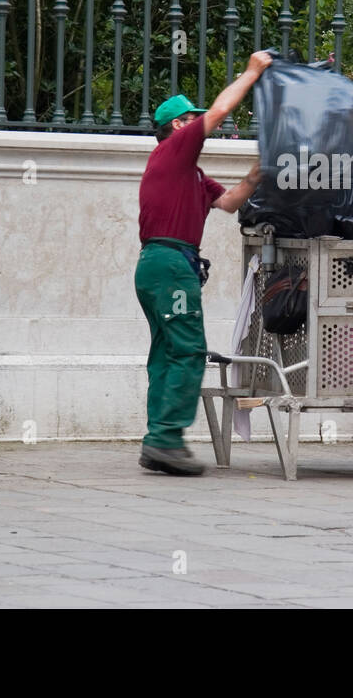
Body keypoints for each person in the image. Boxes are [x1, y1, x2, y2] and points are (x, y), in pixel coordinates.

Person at [134, 50, 273, 475]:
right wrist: (252, 72)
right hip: (171, 267)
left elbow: (230, 202)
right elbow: (221, 108)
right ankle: (165, 440)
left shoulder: (190, 175)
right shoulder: (174, 152)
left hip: (160, 267)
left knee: (166, 353)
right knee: (189, 351)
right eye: (189, 119)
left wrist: (260, 170)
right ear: (176, 126)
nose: (199, 124)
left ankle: (157, 439)